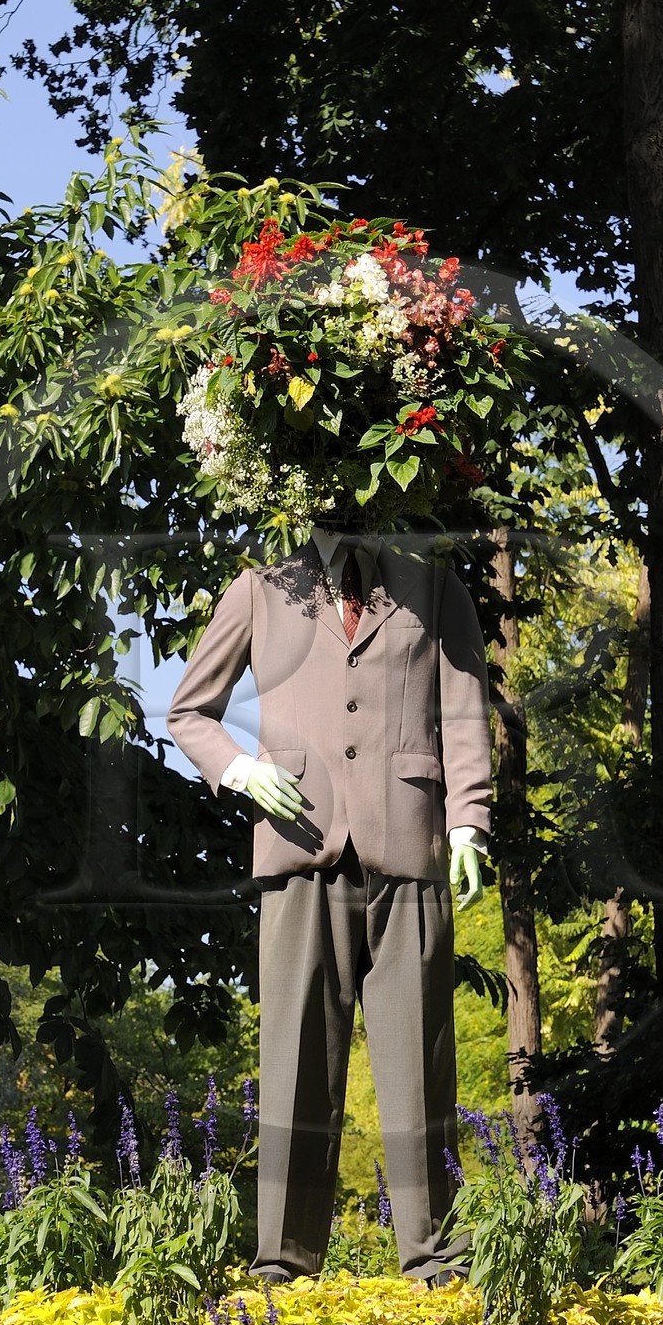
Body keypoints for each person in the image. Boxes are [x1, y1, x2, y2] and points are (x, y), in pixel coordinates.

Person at [167, 524, 493, 1282]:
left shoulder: (434, 586)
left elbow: (466, 711)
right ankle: (283, 1265)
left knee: (421, 1066)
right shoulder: (261, 588)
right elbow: (189, 710)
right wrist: (243, 772)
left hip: (410, 848)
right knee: (294, 1066)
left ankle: (436, 1261)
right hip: (298, 846)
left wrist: (468, 819)